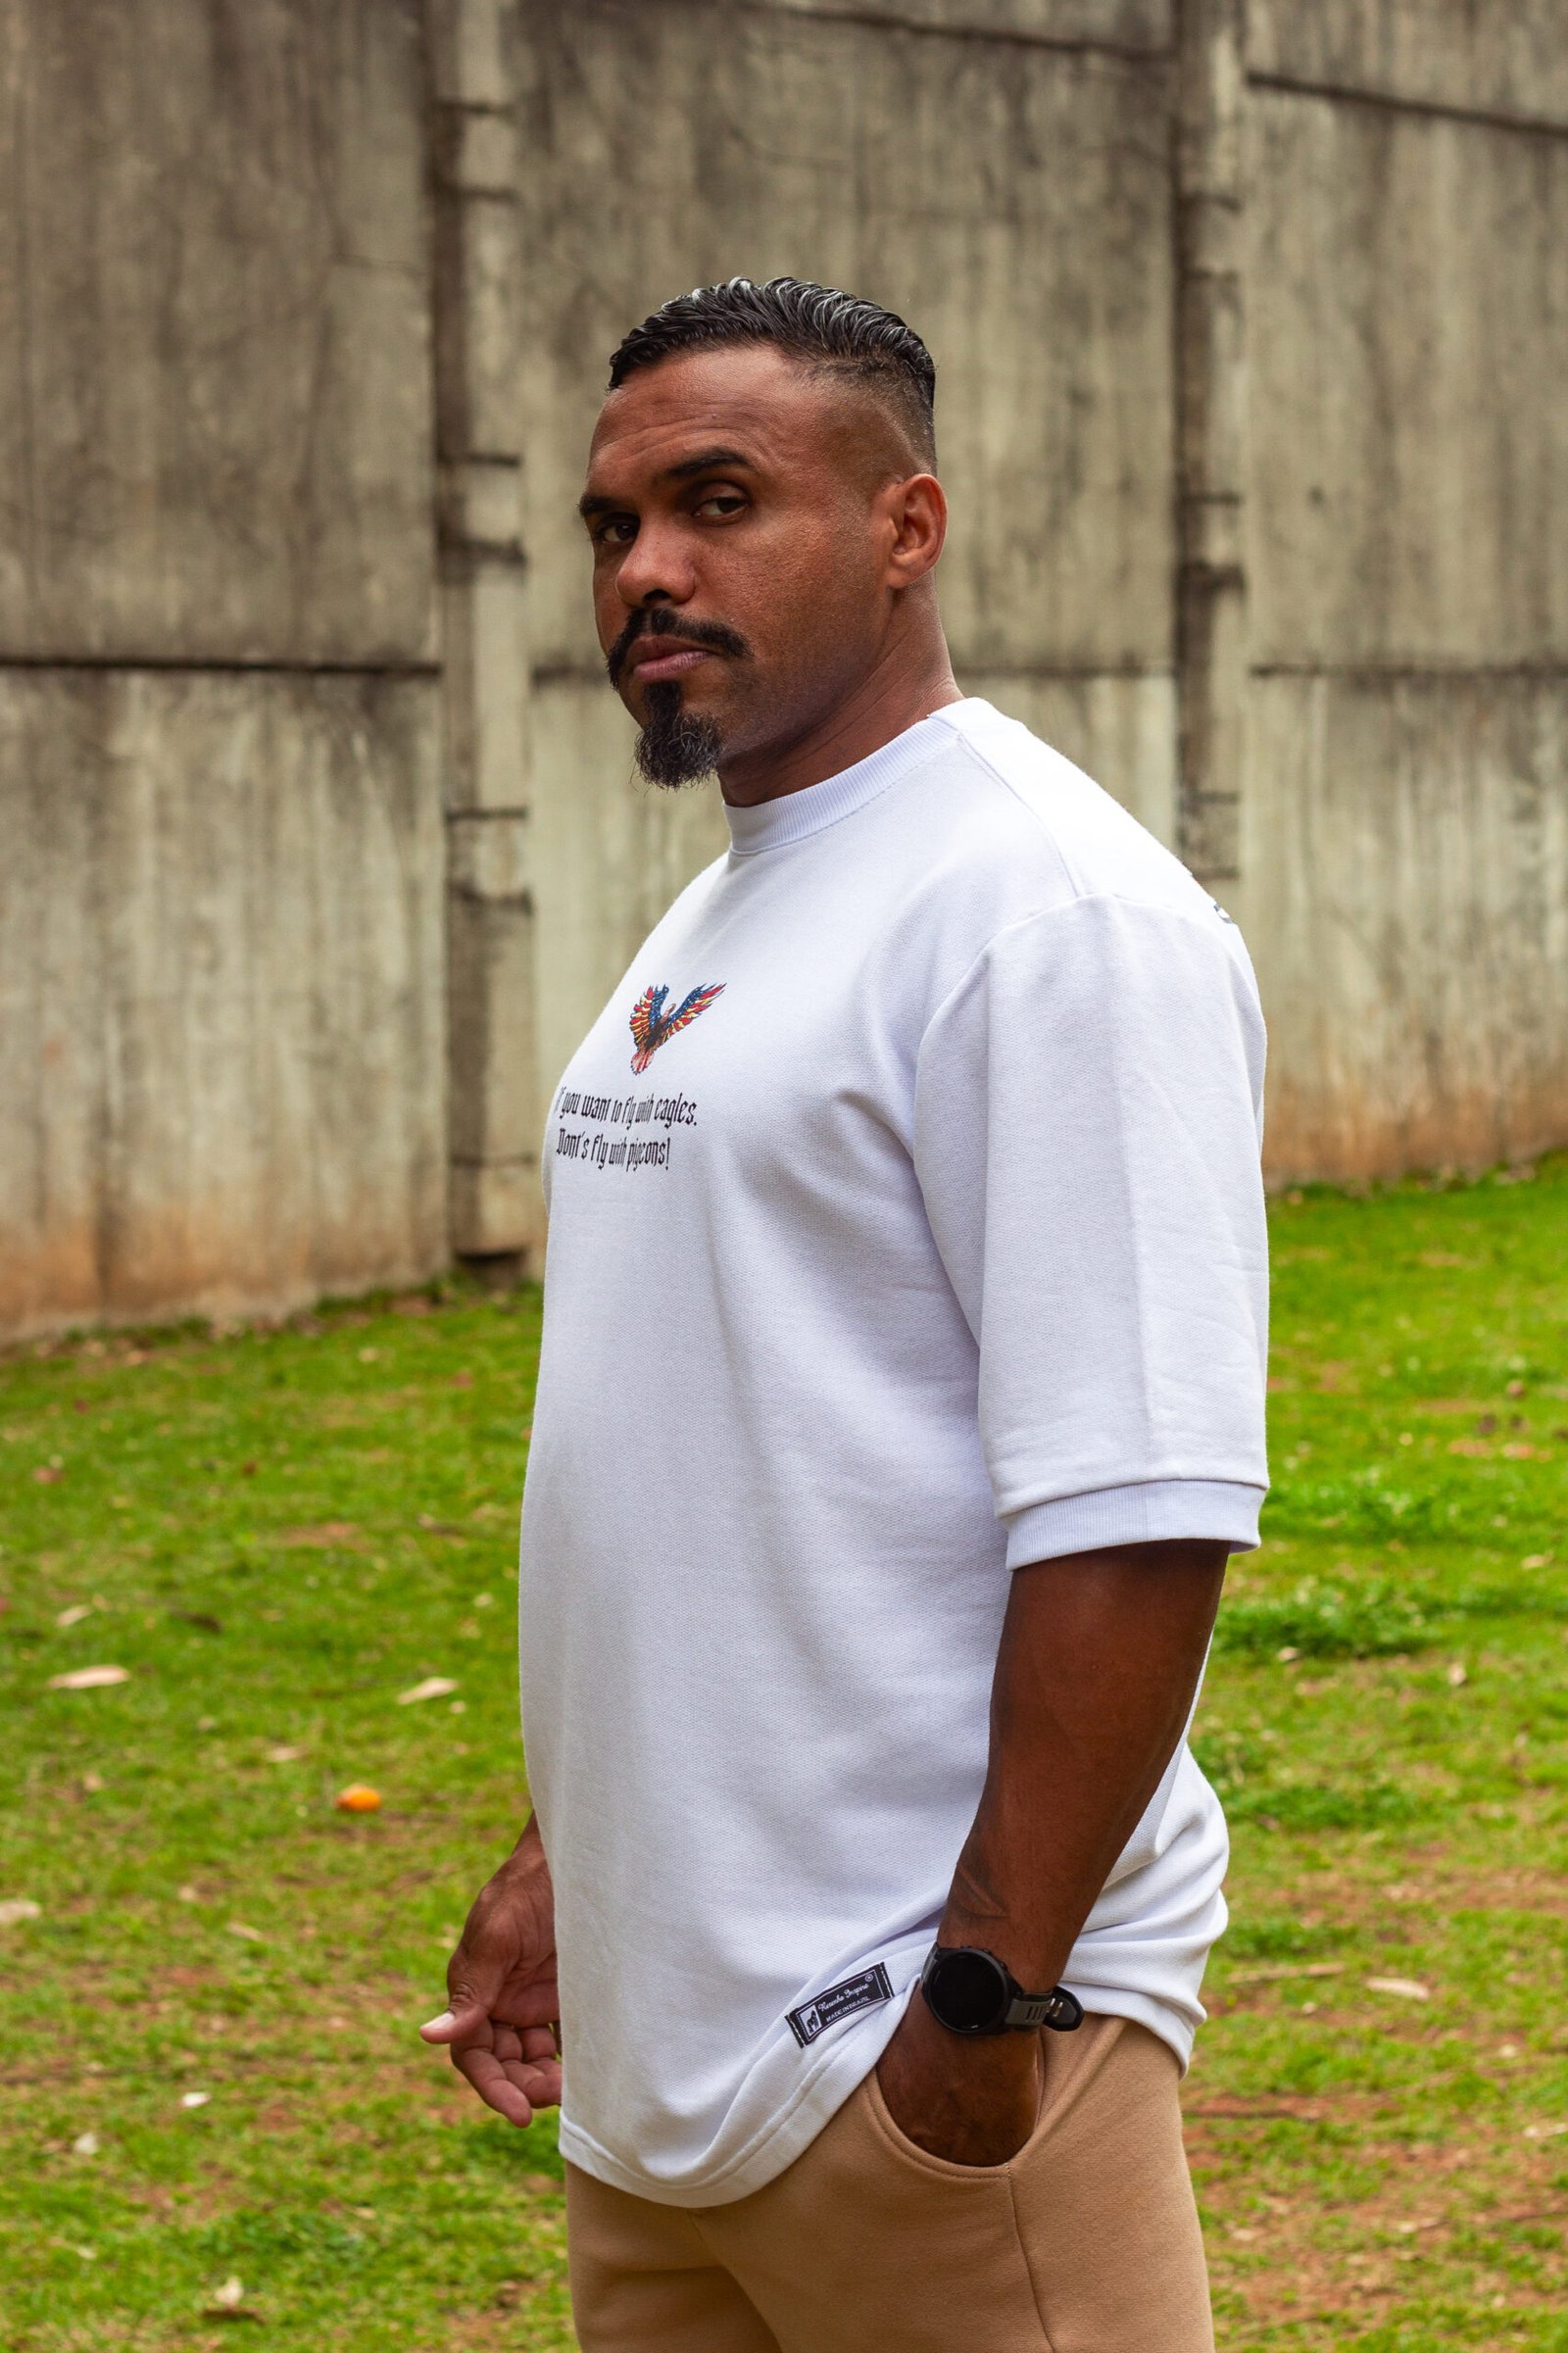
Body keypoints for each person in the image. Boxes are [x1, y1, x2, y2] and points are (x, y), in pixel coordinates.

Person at [422, 277, 1268, 2352]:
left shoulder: (1046, 914)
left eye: (718, 502)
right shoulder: (738, 895)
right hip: (666, 2070)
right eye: (613, 524)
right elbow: (700, 1447)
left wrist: (979, 2014)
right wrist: (572, 1856)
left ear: (908, 526)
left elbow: (1137, 1514)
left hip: (916, 2065)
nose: (647, 569)